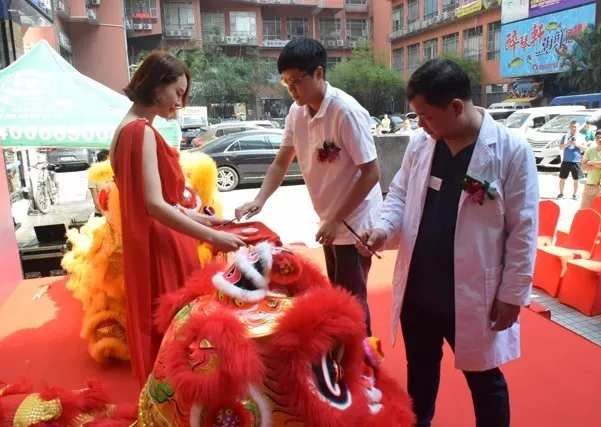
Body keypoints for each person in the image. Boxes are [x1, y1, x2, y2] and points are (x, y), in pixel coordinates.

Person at [356, 59, 538, 427]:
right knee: (420, 370)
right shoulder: (423, 144)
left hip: (471, 291)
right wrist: (382, 228)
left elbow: (524, 229)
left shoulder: (511, 151)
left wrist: (512, 294)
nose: (421, 124)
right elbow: (400, 194)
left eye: (426, 116)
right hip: (420, 285)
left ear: (455, 106)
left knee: (484, 379)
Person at [110, 51, 245, 386]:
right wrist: (211, 236)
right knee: (177, 333)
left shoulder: (127, 129)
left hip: (156, 242)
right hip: (162, 248)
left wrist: (201, 220)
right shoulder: (140, 131)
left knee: (173, 330)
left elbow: (154, 201)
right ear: (156, 86)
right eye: (177, 92)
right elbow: (154, 205)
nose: (180, 102)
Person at [235, 38, 382, 334]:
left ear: (318, 73)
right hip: (329, 219)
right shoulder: (297, 112)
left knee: (351, 299)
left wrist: (336, 219)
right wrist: (260, 199)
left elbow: (371, 173)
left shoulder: (345, 112)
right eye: (286, 83)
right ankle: (344, 352)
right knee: (338, 293)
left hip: (355, 220)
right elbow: (281, 162)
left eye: (296, 82)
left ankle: (364, 356)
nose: (291, 90)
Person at [557, 120, 587, 200]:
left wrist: (576, 144)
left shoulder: (581, 137)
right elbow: (560, 147)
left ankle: (575, 194)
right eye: (572, 127)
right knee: (562, 178)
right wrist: (568, 143)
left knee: (576, 179)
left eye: (575, 127)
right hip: (566, 160)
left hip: (576, 161)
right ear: (569, 127)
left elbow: (585, 148)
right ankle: (561, 193)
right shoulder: (565, 136)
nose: (574, 128)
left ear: (578, 128)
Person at [88, 150, 111, 216]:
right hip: (101, 214)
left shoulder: (113, 173)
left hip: (114, 213)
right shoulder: (93, 176)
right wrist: (106, 216)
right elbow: (96, 200)